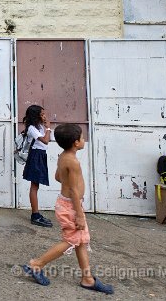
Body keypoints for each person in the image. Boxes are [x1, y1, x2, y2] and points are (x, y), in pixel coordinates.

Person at [21, 124, 114, 294]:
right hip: (72, 206)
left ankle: (87, 279)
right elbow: (73, 190)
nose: (84, 140)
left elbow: (58, 177)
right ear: (76, 143)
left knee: (80, 241)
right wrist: (79, 214)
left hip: (67, 204)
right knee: (71, 240)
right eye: (82, 138)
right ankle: (36, 264)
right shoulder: (73, 162)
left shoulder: (63, 157)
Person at [22, 104, 53, 228]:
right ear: (36, 116)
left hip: (41, 155)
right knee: (34, 186)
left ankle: (36, 214)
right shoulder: (31, 128)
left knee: (36, 185)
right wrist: (49, 128)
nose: (44, 116)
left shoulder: (40, 126)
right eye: (42, 114)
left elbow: (48, 140)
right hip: (35, 156)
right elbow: (45, 140)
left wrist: (46, 127)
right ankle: (35, 215)